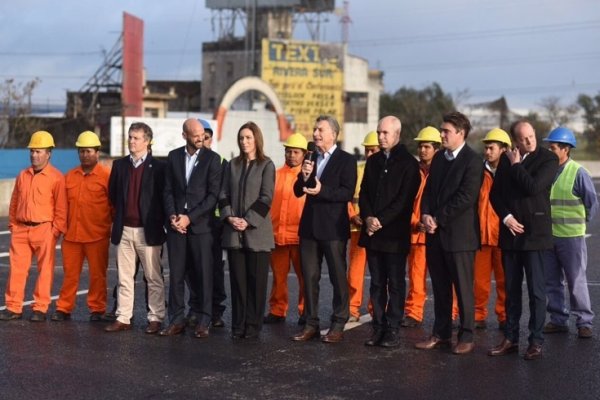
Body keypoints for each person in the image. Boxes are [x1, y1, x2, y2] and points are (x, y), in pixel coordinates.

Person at [488, 120, 559, 360]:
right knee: (510, 290)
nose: (529, 141)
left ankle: (536, 341)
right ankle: (510, 338)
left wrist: (517, 165)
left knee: (537, 292)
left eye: (531, 136)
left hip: (535, 236)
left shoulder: (547, 159)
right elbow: (494, 194)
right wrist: (506, 217)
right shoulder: (507, 159)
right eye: (524, 138)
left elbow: (533, 187)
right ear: (515, 141)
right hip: (511, 236)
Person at [415, 111, 483, 355]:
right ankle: (441, 333)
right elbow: (429, 192)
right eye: (441, 130)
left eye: (446, 131)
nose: (441, 134)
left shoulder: (473, 160)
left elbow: (466, 197)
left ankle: (466, 335)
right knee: (441, 287)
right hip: (436, 234)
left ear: (460, 133)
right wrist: (425, 215)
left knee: (463, 288)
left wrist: (438, 219)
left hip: (460, 237)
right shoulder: (440, 159)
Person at [291, 115, 357, 343]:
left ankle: (339, 322)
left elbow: (346, 193)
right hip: (309, 227)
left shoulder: (346, 160)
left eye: (320, 130)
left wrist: (322, 190)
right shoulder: (311, 157)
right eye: (315, 129)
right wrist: (305, 176)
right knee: (309, 277)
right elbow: (298, 190)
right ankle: (310, 323)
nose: (315, 134)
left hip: (333, 229)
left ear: (333, 134)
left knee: (338, 278)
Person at [359, 116, 420, 348]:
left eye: (385, 133)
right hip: (373, 234)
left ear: (397, 134)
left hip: (393, 234)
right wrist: (368, 217)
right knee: (376, 283)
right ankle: (378, 327)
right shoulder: (373, 162)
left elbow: (404, 201)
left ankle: (393, 328)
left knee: (395, 282)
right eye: (378, 132)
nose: (381, 137)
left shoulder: (408, 164)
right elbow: (364, 193)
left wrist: (379, 220)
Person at [160, 118, 222, 338]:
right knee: (176, 275)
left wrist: (189, 218)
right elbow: (167, 191)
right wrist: (173, 216)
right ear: (184, 135)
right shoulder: (173, 157)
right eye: (195, 134)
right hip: (176, 227)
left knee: (204, 275)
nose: (200, 138)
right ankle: (176, 320)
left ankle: (204, 320)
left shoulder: (213, 160)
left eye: (202, 134)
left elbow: (212, 196)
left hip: (201, 227)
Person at [105, 122, 167, 333]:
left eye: (136, 138)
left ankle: (156, 317)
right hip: (124, 230)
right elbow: (113, 195)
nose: (131, 141)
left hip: (148, 231)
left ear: (147, 141)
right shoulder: (120, 165)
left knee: (153, 277)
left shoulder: (159, 168)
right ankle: (123, 317)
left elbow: (163, 198)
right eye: (130, 137)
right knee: (124, 277)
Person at [0, 131, 67, 322]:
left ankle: (40, 308)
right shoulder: (23, 175)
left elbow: (61, 208)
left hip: (44, 229)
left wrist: (55, 231)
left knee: (45, 270)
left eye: (39, 151)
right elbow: (14, 201)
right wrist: (13, 224)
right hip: (21, 229)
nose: (34, 155)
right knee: (17, 269)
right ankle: (13, 307)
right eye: (32, 151)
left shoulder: (56, 178)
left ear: (49, 153)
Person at [219, 121, 275, 339]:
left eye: (248, 138)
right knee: (238, 282)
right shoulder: (231, 165)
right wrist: (230, 217)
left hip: (257, 234)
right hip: (234, 233)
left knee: (256, 282)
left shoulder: (266, 165)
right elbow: (222, 194)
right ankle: (238, 324)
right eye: (241, 138)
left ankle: (253, 325)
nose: (244, 142)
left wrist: (248, 220)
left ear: (256, 139)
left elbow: (266, 197)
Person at [542, 127, 598, 338]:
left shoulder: (578, 172)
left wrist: (580, 225)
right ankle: (558, 319)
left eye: (553, 147)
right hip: (549, 236)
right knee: (552, 281)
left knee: (576, 281)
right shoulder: (546, 171)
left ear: (565, 149)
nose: (549, 150)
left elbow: (592, 204)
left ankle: (584, 322)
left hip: (571, 237)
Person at [52, 131, 112, 322]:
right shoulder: (69, 177)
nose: (85, 155)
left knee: (97, 276)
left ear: (97, 153)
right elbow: (61, 206)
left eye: (88, 151)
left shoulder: (107, 176)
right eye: (81, 151)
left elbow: (114, 207)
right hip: (71, 237)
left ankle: (97, 309)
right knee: (70, 276)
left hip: (97, 236)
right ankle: (64, 308)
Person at [264, 133, 307, 325]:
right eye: (288, 151)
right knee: (278, 278)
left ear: (304, 154)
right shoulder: (275, 174)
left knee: (305, 278)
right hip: (277, 236)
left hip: (300, 237)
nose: (291, 155)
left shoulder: (308, 177)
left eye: (295, 152)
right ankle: (277, 310)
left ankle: (306, 311)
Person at [403, 126, 441, 328]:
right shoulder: (412, 172)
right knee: (416, 277)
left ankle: (451, 314)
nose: (422, 150)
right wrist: (415, 223)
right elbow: (404, 202)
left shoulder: (444, 171)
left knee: (445, 279)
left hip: (438, 235)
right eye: (420, 146)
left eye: (427, 146)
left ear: (437, 148)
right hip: (416, 234)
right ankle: (414, 313)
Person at [473, 129, 510, 330]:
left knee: (505, 282)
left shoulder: (512, 172)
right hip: (481, 237)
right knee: (479, 282)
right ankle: (478, 315)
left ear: (504, 149)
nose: (487, 152)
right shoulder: (478, 172)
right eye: (485, 148)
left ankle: (504, 317)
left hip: (504, 237)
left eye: (491, 148)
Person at [197, 119, 228, 328]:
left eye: (206, 138)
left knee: (215, 270)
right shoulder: (186, 161)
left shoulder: (221, 161)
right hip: (193, 224)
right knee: (193, 270)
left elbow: (224, 194)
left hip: (214, 225)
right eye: (198, 138)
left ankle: (216, 311)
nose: (202, 141)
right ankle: (196, 309)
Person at [347, 131, 379, 322]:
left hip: (378, 231)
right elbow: (347, 197)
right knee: (355, 272)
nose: (368, 154)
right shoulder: (357, 169)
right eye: (367, 150)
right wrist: (352, 216)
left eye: (372, 150)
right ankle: (351, 309)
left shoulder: (387, 171)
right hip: (357, 230)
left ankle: (377, 309)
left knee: (378, 274)